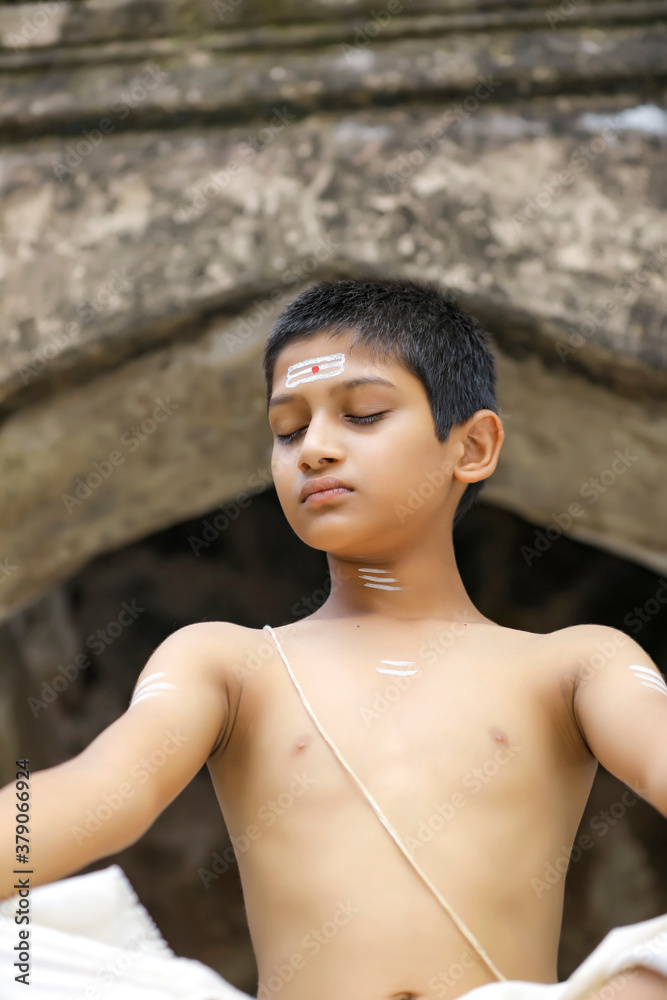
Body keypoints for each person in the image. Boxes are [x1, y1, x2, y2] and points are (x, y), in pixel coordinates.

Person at [1, 277, 667, 1000]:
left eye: (363, 415)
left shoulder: (575, 665)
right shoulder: (227, 664)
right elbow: (105, 789)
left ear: (472, 446)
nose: (314, 449)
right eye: (288, 430)